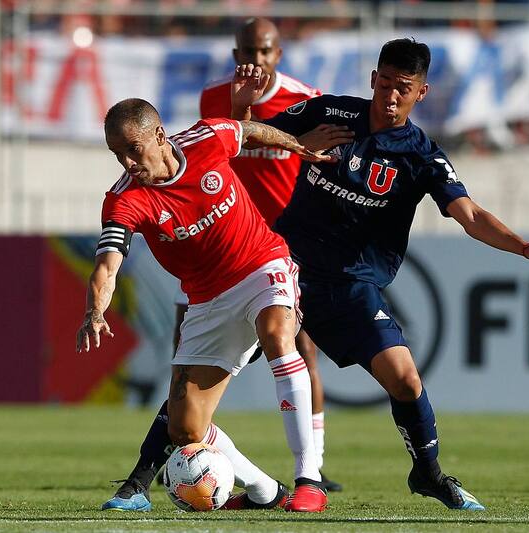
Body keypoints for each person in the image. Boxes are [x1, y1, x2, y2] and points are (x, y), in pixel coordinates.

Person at [230, 39, 529, 511]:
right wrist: (254, 114)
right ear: (373, 79)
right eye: (386, 84)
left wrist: (522, 247)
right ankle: (141, 476)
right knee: (210, 364)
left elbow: (469, 214)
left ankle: (428, 475)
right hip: (284, 268)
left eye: (404, 89)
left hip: (351, 286)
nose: (391, 96)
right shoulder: (329, 112)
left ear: (422, 93)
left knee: (406, 380)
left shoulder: (420, 155)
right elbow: (244, 137)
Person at [77, 98, 331, 512]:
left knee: (277, 333)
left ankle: (310, 479)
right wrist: (95, 310)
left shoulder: (206, 139)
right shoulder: (125, 200)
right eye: (117, 154)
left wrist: (295, 144)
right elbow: (107, 265)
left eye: (132, 150)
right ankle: (267, 491)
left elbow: (249, 131)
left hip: (262, 263)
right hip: (208, 300)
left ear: (160, 137)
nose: (126, 162)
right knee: (185, 428)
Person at [194, 17, 349, 492]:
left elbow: (325, 163)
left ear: (277, 54)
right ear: (235, 52)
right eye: (246, 52)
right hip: (228, 239)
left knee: (302, 347)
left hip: (287, 242)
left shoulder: (306, 99)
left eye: (263, 52)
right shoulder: (213, 99)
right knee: (194, 350)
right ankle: (185, 442)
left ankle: (313, 466)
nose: (254, 61)